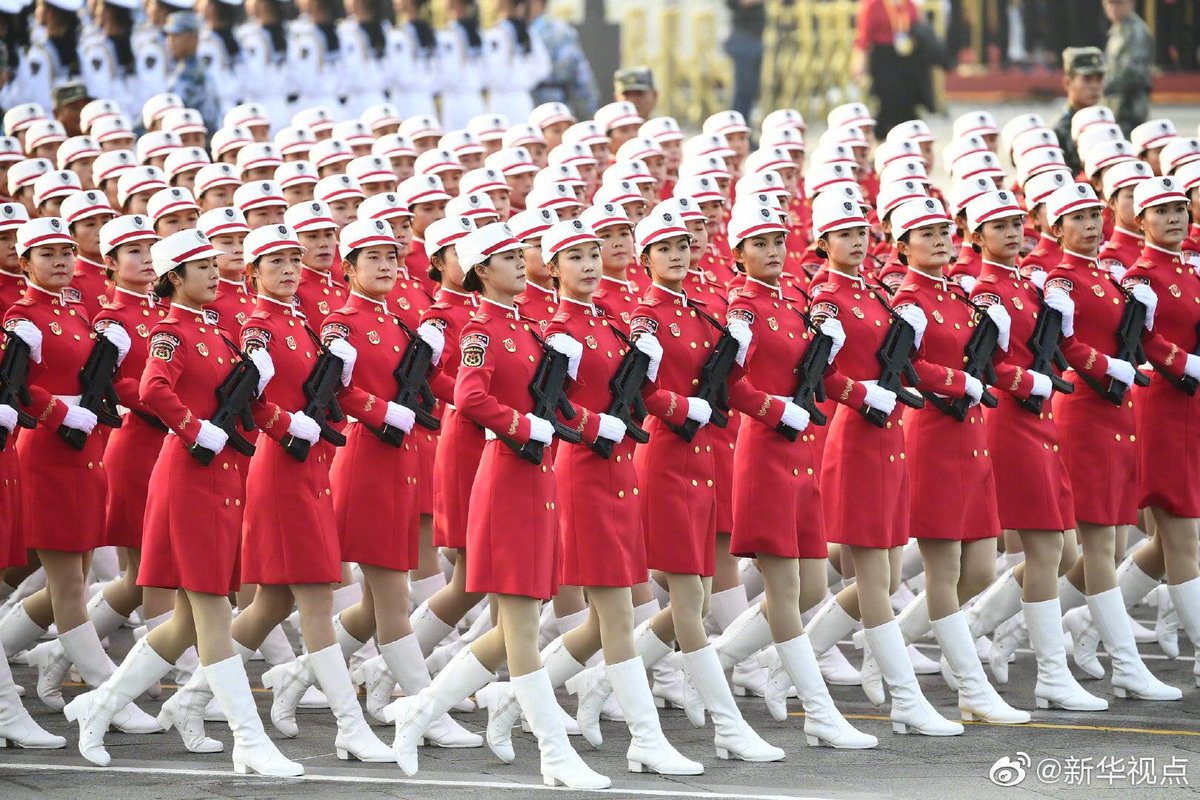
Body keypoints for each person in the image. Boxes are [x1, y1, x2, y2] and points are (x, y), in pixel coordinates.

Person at [63, 227, 303, 777]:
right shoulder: (171, 333)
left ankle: (97, 707)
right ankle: (250, 739)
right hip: (191, 477)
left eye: (213, 266)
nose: (215, 274)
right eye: (201, 268)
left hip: (222, 475)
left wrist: (276, 418)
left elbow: (244, 401)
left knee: (188, 623)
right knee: (214, 612)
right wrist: (195, 428)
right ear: (175, 278)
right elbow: (151, 389)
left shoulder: (217, 330)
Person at [388, 221, 610, 789]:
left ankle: (418, 713)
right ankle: (555, 755)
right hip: (506, 476)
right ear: (482, 271)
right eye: (509, 258)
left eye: (521, 255)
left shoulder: (529, 327)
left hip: (536, 476)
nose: (521, 264)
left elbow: (553, 402)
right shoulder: (483, 329)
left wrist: (592, 421)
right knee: (520, 626)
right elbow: (469, 395)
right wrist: (521, 425)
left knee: (516, 626)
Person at [0, 217, 159, 737]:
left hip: (85, 449)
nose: (63, 261)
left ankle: (15, 650)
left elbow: (103, 376)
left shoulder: (77, 311)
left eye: (67, 252)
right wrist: (59, 412)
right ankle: (108, 694)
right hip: (47, 450)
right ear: (24, 263)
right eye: (47, 254)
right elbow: (16, 386)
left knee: (75, 576)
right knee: (69, 581)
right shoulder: (21, 317)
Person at [961, 190, 1108, 711]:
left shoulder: (1026, 283)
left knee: (1064, 551)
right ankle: (1050, 674)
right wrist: (1023, 378)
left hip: (1040, 418)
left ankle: (978, 625)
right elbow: (978, 363)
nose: (1012, 232)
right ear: (976, 236)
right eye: (997, 226)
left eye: (1016, 223)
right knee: (1047, 548)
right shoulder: (983, 292)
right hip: (1012, 420)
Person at [1040, 181, 1181, 701]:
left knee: (1108, 542)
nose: (1092, 225)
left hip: (1116, 409)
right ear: (1056, 230)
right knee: (1097, 544)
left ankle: (1007, 627)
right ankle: (1125, 662)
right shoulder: (1060, 281)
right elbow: (1062, 344)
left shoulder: (1107, 275)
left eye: (1094, 216)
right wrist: (1106, 365)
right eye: (1077, 219)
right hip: (1083, 409)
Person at [851, 0, 931, 138]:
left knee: (907, 103)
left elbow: (918, 27)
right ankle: (880, 139)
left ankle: (909, 139)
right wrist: (858, 64)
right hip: (884, 60)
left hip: (906, 60)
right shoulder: (873, 5)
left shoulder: (909, 4)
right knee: (888, 103)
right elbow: (863, 38)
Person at [528, 0, 598, 119]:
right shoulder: (510, 31)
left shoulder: (559, 32)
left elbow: (580, 73)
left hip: (553, 105)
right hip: (519, 105)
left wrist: (591, 111)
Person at [1102, 0, 1153, 138]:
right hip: (1116, 108)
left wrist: (1102, 84)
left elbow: (1132, 74)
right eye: (1109, 3)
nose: (1113, 8)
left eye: (1118, 3)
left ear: (1131, 3)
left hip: (1130, 109)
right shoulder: (1117, 30)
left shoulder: (1136, 32)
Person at [1052, 47, 1106, 176]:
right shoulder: (1059, 131)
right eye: (1087, 79)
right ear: (1067, 82)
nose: (1095, 86)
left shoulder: (1107, 123)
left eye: (1099, 79)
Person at [165, 12, 219, 134]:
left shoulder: (196, 75)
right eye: (169, 36)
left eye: (176, 36)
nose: (170, 41)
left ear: (192, 39)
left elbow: (209, 121)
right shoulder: (180, 68)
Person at [725, 0, 766, 123]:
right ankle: (737, 128)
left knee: (751, 90)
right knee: (743, 90)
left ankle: (744, 129)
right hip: (744, 39)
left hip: (754, 38)